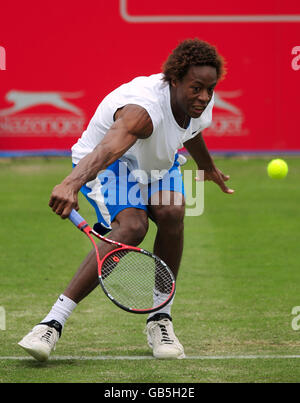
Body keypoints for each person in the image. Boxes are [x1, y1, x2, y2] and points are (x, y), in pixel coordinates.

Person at [18, 38, 234, 362]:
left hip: (157, 164)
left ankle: (160, 318)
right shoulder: (142, 110)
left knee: (173, 211)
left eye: (209, 89)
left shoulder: (200, 100)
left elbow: (192, 129)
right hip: (109, 164)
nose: (204, 96)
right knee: (133, 227)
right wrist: (71, 183)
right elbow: (109, 149)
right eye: (196, 88)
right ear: (174, 80)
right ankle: (51, 324)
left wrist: (207, 166)